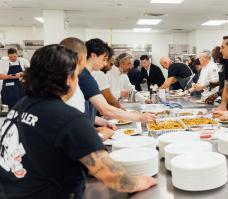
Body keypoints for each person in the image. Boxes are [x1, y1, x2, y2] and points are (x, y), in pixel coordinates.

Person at [0, 44, 157, 198]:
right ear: (69, 78)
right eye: (77, 75)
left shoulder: (21, 106)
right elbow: (111, 176)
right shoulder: (68, 118)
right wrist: (138, 182)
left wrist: (92, 135)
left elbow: (47, 142)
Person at [61, 38, 155, 127]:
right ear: (93, 56)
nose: (105, 64)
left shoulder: (85, 75)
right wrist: (139, 117)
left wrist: (104, 122)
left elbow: (83, 113)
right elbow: (104, 108)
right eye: (104, 59)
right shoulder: (85, 76)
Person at [92, 44, 123, 109]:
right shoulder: (99, 74)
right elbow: (109, 98)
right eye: (104, 60)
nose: (105, 64)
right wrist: (122, 110)